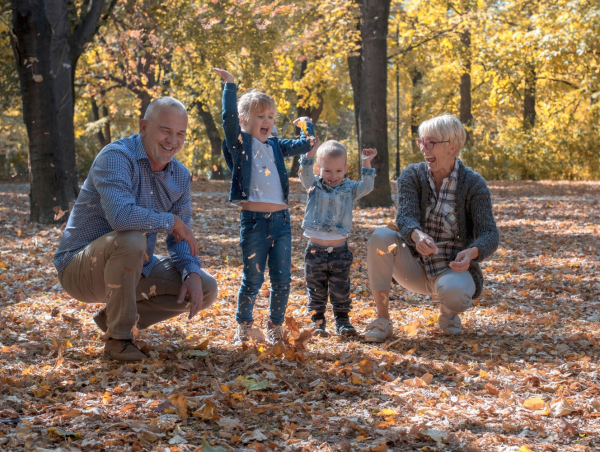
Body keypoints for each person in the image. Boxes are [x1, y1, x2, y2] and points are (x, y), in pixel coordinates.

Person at [54, 97, 218, 361]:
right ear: (144, 126)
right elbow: (121, 217)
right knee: (131, 239)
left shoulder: (180, 176)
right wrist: (171, 221)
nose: (172, 140)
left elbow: (179, 237)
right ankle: (119, 341)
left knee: (206, 286)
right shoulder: (116, 157)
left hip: (134, 266)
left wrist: (191, 271)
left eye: (180, 134)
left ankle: (113, 317)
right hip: (80, 268)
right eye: (165, 130)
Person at [364, 114, 499, 342]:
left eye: (431, 143)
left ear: (452, 146)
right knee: (380, 237)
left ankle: (448, 314)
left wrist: (472, 253)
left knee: (454, 294)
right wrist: (416, 235)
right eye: (421, 142)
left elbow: (490, 234)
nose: (424, 148)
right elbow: (404, 217)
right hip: (415, 266)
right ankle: (382, 320)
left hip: (451, 269)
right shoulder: (412, 175)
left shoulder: (474, 184)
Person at [213, 68, 317, 345]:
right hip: (254, 223)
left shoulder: (275, 145)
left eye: (270, 117)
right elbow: (228, 120)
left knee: (282, 279)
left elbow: (306, 144)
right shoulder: (240, 144)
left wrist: (307, 125)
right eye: (260, 116)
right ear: (245, 119)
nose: (267, 121)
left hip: (281, 222)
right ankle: (244, 326)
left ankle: (275, 325)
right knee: (253, 279)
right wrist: (230, 86)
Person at [299, 141, 377, 337]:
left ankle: (343, 322)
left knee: (340, 288)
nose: (333, 177)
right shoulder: (314, 185)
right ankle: (317, 323)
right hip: (315, 251)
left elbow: (367, 187)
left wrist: (366, 163)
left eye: (338, 171)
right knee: (316, 289)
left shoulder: (350, 188)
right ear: (318, 168)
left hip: (340, 252)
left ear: (346, 169)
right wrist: (309, 154)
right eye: (327, 171)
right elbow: (304, 174)